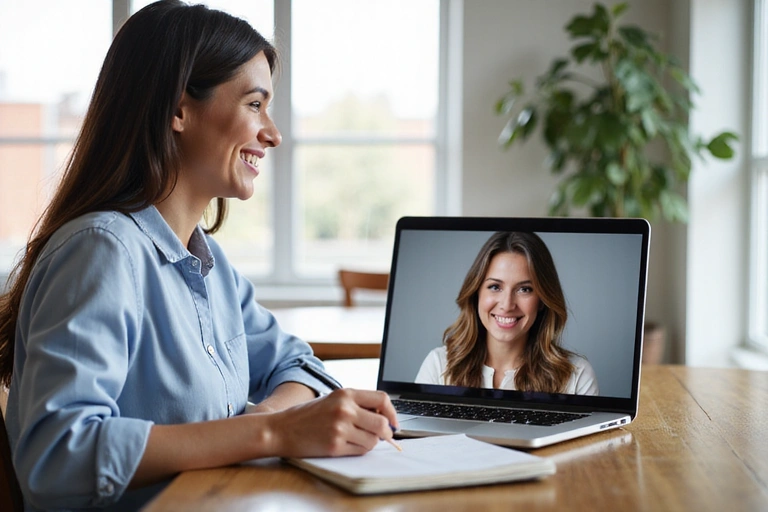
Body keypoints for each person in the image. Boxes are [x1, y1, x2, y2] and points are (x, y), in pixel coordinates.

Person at [0, 2, 398, 510]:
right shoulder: (101, 252)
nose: (273, 134)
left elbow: (300, 364)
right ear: (179, 109)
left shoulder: (211, 267)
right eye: (255, 104)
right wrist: (272, 433)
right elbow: (58, 456)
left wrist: (268, 421)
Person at [415, 231, 598, 395]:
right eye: (495, 287)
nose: (507, 304)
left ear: (542, 300)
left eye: (524, 289)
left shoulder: (576, 376)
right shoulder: (438, 365)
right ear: (476, 292)